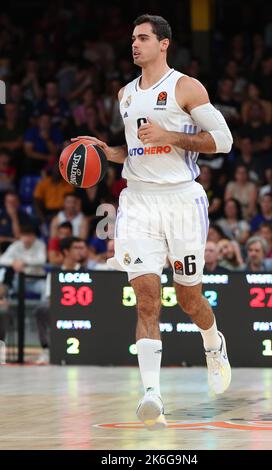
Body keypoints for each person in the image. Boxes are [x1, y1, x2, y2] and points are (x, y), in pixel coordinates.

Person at [71, 14, 233, 430]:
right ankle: (151, 394)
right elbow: (135, 152)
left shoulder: (186, 86)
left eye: (143, 38)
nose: (135, 44)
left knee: (188, 299)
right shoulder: (125, 94)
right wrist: (101, 150)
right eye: (132, 38)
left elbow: (224, 141)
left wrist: (172, 136)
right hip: (138, 201)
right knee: (146, 296)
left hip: (182, 200)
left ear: (164, 44)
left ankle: (213, 343)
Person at [35, 236, 84, 364]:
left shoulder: (87, 271)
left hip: (85, 311)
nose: (80, 251)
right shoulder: (54, 273)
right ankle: (46, 349)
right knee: (42, 309)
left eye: (81, 248)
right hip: (60, 309)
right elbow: (50, 297)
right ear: (66, 251)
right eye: (76, 248)